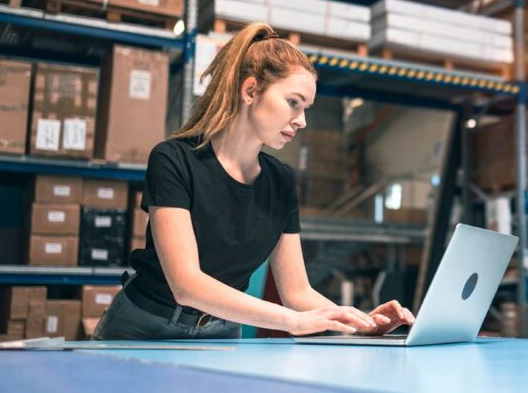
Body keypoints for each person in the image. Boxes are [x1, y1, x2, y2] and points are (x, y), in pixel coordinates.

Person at [93, 23, 415, 340]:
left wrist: (362, 323)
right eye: (294, 102)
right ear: (250, 91)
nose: (302, 121)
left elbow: (297, 292)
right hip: (144, 327)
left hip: (220, 332)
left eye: (306, 108)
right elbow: (186, 285)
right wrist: (292, 321)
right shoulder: (173, 160)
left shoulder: (281, 181)